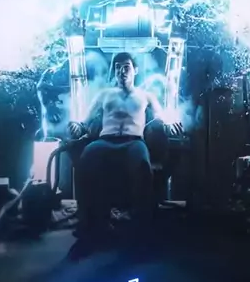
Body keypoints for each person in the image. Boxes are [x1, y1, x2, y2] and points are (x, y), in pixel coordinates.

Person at [67, 52, 183, 241]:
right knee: (85, 160)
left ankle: (141, 222)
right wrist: (77, 126)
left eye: (126, 67)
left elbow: (162, 117)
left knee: (143, 165)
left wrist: (170, 125)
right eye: (118, 67)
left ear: (135, 70)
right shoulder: (104, 95)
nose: (122, 71)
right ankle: (88, 222)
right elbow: (84, 121)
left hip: (133, 142)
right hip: (105, 141)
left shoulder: (146, 96)